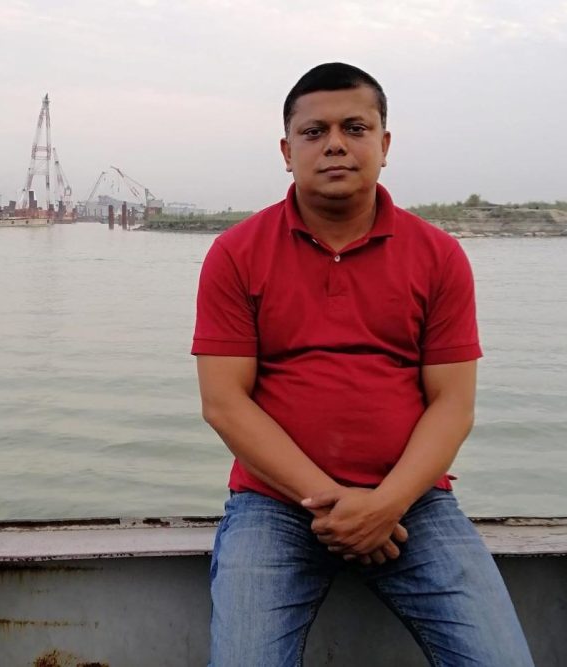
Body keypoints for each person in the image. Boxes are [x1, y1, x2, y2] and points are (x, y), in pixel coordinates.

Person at [191, 62, 534, 666]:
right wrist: (336, 506)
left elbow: (453, 405)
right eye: (314, 131)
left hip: (414, 502)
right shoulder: (236, 253)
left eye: (355, 128)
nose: (335, 145)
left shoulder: (438, 255)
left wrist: (386, 504)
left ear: (385, 144)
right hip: (273, 504)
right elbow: (224, 403)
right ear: (287, 151)